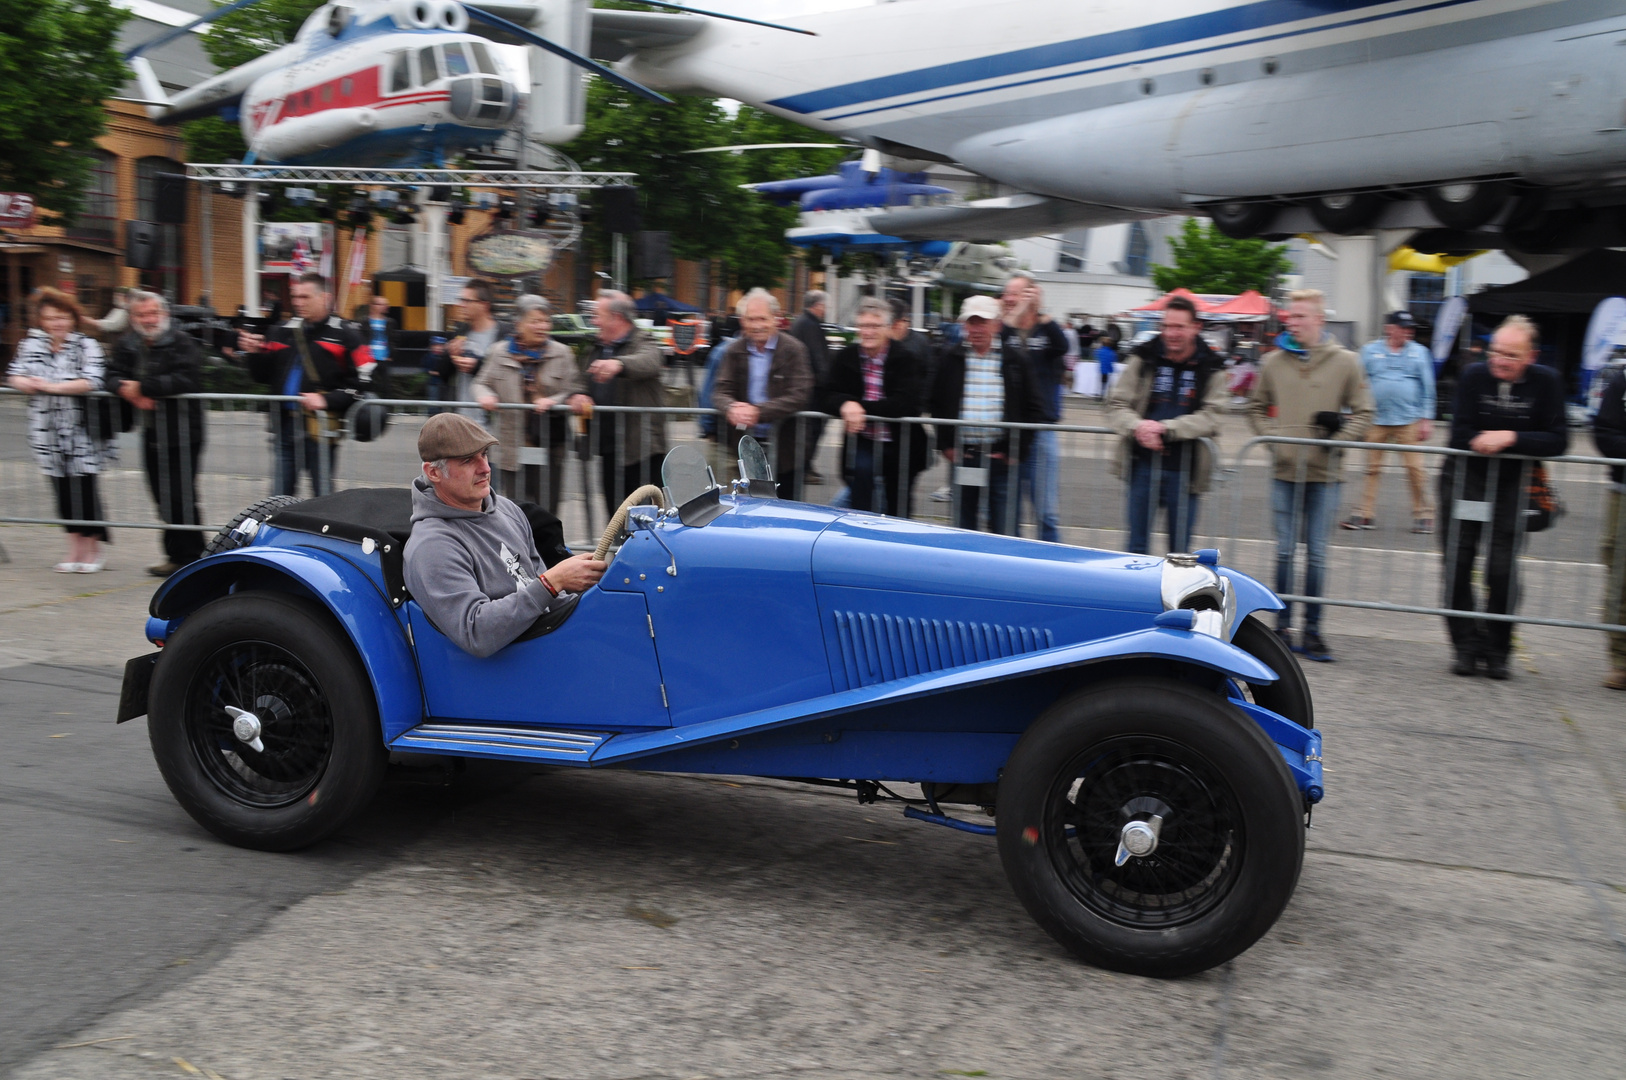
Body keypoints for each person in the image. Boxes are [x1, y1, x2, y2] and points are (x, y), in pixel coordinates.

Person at [403, 414, 605, 658]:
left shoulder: (508, 510)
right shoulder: (432, 545)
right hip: (502, 671)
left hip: (544, 649)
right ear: (433, 473)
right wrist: (551, 583)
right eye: (468, 460)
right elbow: (475, 632)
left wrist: (597, 603)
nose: (486, 468)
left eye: (485, 454)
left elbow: (550, 600)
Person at [1248, 289, 1375, 662]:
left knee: (1317, 555)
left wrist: (1338, 440)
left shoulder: (1347, 362)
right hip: (1285, 472)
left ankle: (1314, 629)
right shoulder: (1272, 362)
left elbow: (1365, 413)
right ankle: (1283, 627)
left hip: (1326, 474)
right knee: (1285, 551)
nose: (1293, 322)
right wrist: (1272, 442)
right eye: (1291, 316)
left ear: (1320, 320)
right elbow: (1255, 407)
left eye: (1301, 317)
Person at [1440, 315, 1567, 680]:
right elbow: (1459, 433)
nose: (1500, 361)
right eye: (1496, 351)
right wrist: (1485, 438)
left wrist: (1509, 437)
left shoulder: (1547, 382)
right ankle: (1464, 646)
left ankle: (1498, 648)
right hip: (1465, 481)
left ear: (1531, 356)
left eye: (1511, 355)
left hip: (1513, 486)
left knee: (1501, 569)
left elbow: (1558, 439)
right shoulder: (1474, 376)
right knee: (1457, 566)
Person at [1106, 295, 1229, 555]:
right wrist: (1137, 427)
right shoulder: (1143, 356)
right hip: (1142, 465)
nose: (1171, 333)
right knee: (1135, 548)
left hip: (1186, 471)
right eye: (1166, 326)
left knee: (1180, 553)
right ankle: (1135, 595)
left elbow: (1214, 414)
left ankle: (1174, 597)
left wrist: (1168, 429)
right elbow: (1117, 404)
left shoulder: (1212, 365)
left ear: (1196, 326)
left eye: (1179, 327)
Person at [239, 272, 371, 497]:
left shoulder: (346, 334)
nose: (298, 302)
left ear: (325, 298)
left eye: (305, 297)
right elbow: (262, 376)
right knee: (279, 499)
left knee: (322, 499)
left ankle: (324, 532)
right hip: (284, 427)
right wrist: (253, 354)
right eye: (295, 296)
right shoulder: (281, 330)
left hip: (319, 430)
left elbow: (364, 382)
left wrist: (326, 399)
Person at [7, 288, 109, 572]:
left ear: (73, 318)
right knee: (61, 493)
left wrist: (52, 387)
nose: (56, 323)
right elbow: (15, 372)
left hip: (81, 432)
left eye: (62, 317)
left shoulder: (86, 345)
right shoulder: (31, 344)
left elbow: (93, 380)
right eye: (50, 318)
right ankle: (73, 550)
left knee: (84, 491)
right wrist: (22, 382)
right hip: (45, 432)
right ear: (42, 320)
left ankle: (92, 551)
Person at [107, 291, 207, 577]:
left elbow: (187, 378)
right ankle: (176, 555)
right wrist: (125, 389)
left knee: (181, 495)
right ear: (133, 318)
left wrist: (143, 387)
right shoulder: (128, 344)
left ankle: (193, 558)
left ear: (164, 314)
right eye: (142, 315)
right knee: (160, 496)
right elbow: (110, 373)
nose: (148, 320)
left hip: (184, 430)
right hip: (151, 431)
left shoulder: (182, 343)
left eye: (153, 313)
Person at [930, 295, 1046, 534]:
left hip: (1001, 459)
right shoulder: (950, 359)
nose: (977, 328)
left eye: (983, 321)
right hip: (966, 457)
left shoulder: (1016, 360)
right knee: (964, 528)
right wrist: (947, 446)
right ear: (964, 325)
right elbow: (936, 402)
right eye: (972, 322)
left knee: (1005, 529)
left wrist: (1018, 450)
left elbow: (1035, 408)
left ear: (997, 324)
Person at [473, 295, 588, 516]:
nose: (542, 326)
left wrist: (553, 401)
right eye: (535, 321)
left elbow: (575, 389)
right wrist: (486, 396)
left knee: (548, 508)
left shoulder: (561, 353)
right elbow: (481, 383)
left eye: (545, 321)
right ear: (519, 324)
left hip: (550, 444)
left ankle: (547, 550)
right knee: (516, 508)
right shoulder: (499, 353)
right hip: (513, 444)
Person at [823, 295, 928, 516]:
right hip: (864, 439)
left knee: (898, 505)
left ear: (888, 328)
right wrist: (844, 404)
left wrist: (858, 408)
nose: (868, 332)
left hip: (900, 442)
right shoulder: (846, 357)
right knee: (860, 481)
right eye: (863, 325)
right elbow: (825, 393)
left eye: (874, 326)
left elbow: (903, 404)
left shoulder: (906, 359)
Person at [711, 288, 814, 495]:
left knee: (786, 510)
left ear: (776, 318)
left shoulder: (794, 349)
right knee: (747, 510)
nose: (757, 325)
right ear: (742, 321)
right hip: (745, 445)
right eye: (751, 319)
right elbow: (720, 390)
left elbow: (800, 393)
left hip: (786, 446)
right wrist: (731, 407)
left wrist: (758, 411)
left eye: (762, 319)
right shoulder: (734, 350)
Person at [1344, 311, 1437, 534]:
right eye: (1403, 327)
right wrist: (1349, 411)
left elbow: (1428, 387)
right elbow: (1356, 382)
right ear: (1390, 328)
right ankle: (1364, 514)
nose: (1408, 331)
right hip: (1376, 419)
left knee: (1415, 468)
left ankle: (1424, 516)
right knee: (1371, 469)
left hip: (1409, 420)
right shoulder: (1369, 351)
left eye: (1410, 328)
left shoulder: (1420, 352)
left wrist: (1427, 418)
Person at [587, 290, 667, 521]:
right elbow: (580, 379)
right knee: (616, 518)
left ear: (616, 318)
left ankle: (647, 558)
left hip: (641, 449)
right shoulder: (597, 347)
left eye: (597, 315)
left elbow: (651, 361)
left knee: (645, 518)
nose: (594, 321)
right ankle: (620, 556)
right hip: (609, 447)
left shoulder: (644, 340)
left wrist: (619, 364)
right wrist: (577, 394)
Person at [1001, 273, 1069, 542]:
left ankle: (1053, 566)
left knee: (1046, 512)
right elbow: (1000, 339)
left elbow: (1062, 346)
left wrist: (1040, 312)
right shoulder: (1005, 330)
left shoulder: (1047, 331)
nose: (1008, 299)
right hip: (1009, 431)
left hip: (1041, 430)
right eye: (1006, 293)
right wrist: (1016, 312)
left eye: (1015, 294)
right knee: (1009, 510)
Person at [1593, 364, 1626, 690]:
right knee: (1621, 573)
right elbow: (1605, 434)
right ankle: (1623, 661)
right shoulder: (1623, 380)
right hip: (1624, 493)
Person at [438, 279, 506, 419]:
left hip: (493, 422)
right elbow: (443, 374)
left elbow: (506, 375)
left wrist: (476, 366)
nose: (461, 305)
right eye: (461, 300)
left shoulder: (503, 333)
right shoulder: (461, 330)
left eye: (466, 301)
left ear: (484, 305)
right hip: (462, 419)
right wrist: (449, 355)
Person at [788, 290, 830, 484]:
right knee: (814, 428)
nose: (825, 309)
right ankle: (804, 467)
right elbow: (817, 356)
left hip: (801, 385)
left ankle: (804, 466)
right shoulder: (811, 325)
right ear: (818, 305)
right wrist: (826, 382)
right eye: (824, 305)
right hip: (813, 390)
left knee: (807, 429)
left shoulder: (800, 322)